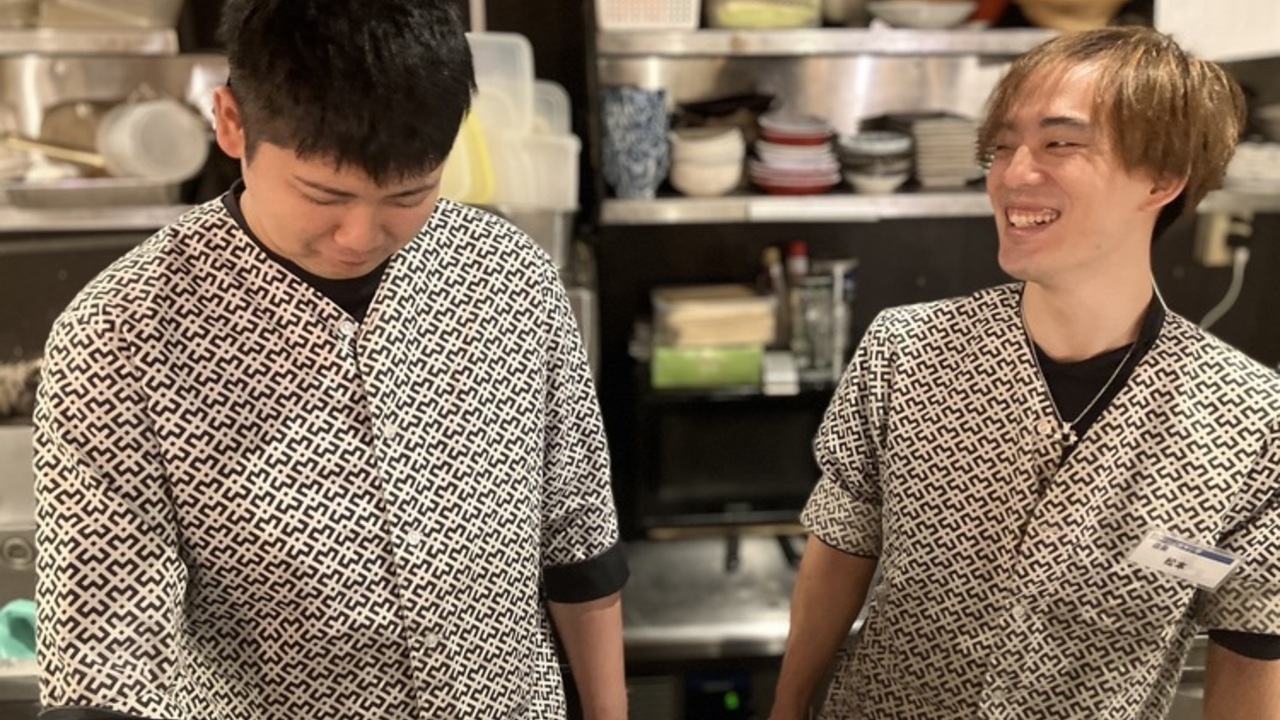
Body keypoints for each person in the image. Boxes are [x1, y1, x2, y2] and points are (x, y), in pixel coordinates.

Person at [33, 1, 629, 718]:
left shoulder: (508, 276)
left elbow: (579, 542)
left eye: (409, 194)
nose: (360, 235)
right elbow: (104, 658)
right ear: (232, 122)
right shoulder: (123, 333)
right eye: (323, 194)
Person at [770, 26, 1280, 720]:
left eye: (1060, 144)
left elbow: (1252, 647)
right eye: (1002, 147)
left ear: (1162, 178)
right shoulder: (907, 352)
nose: (1011, 176)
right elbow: (840, 549)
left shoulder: (1250, 423)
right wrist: (789, 708)